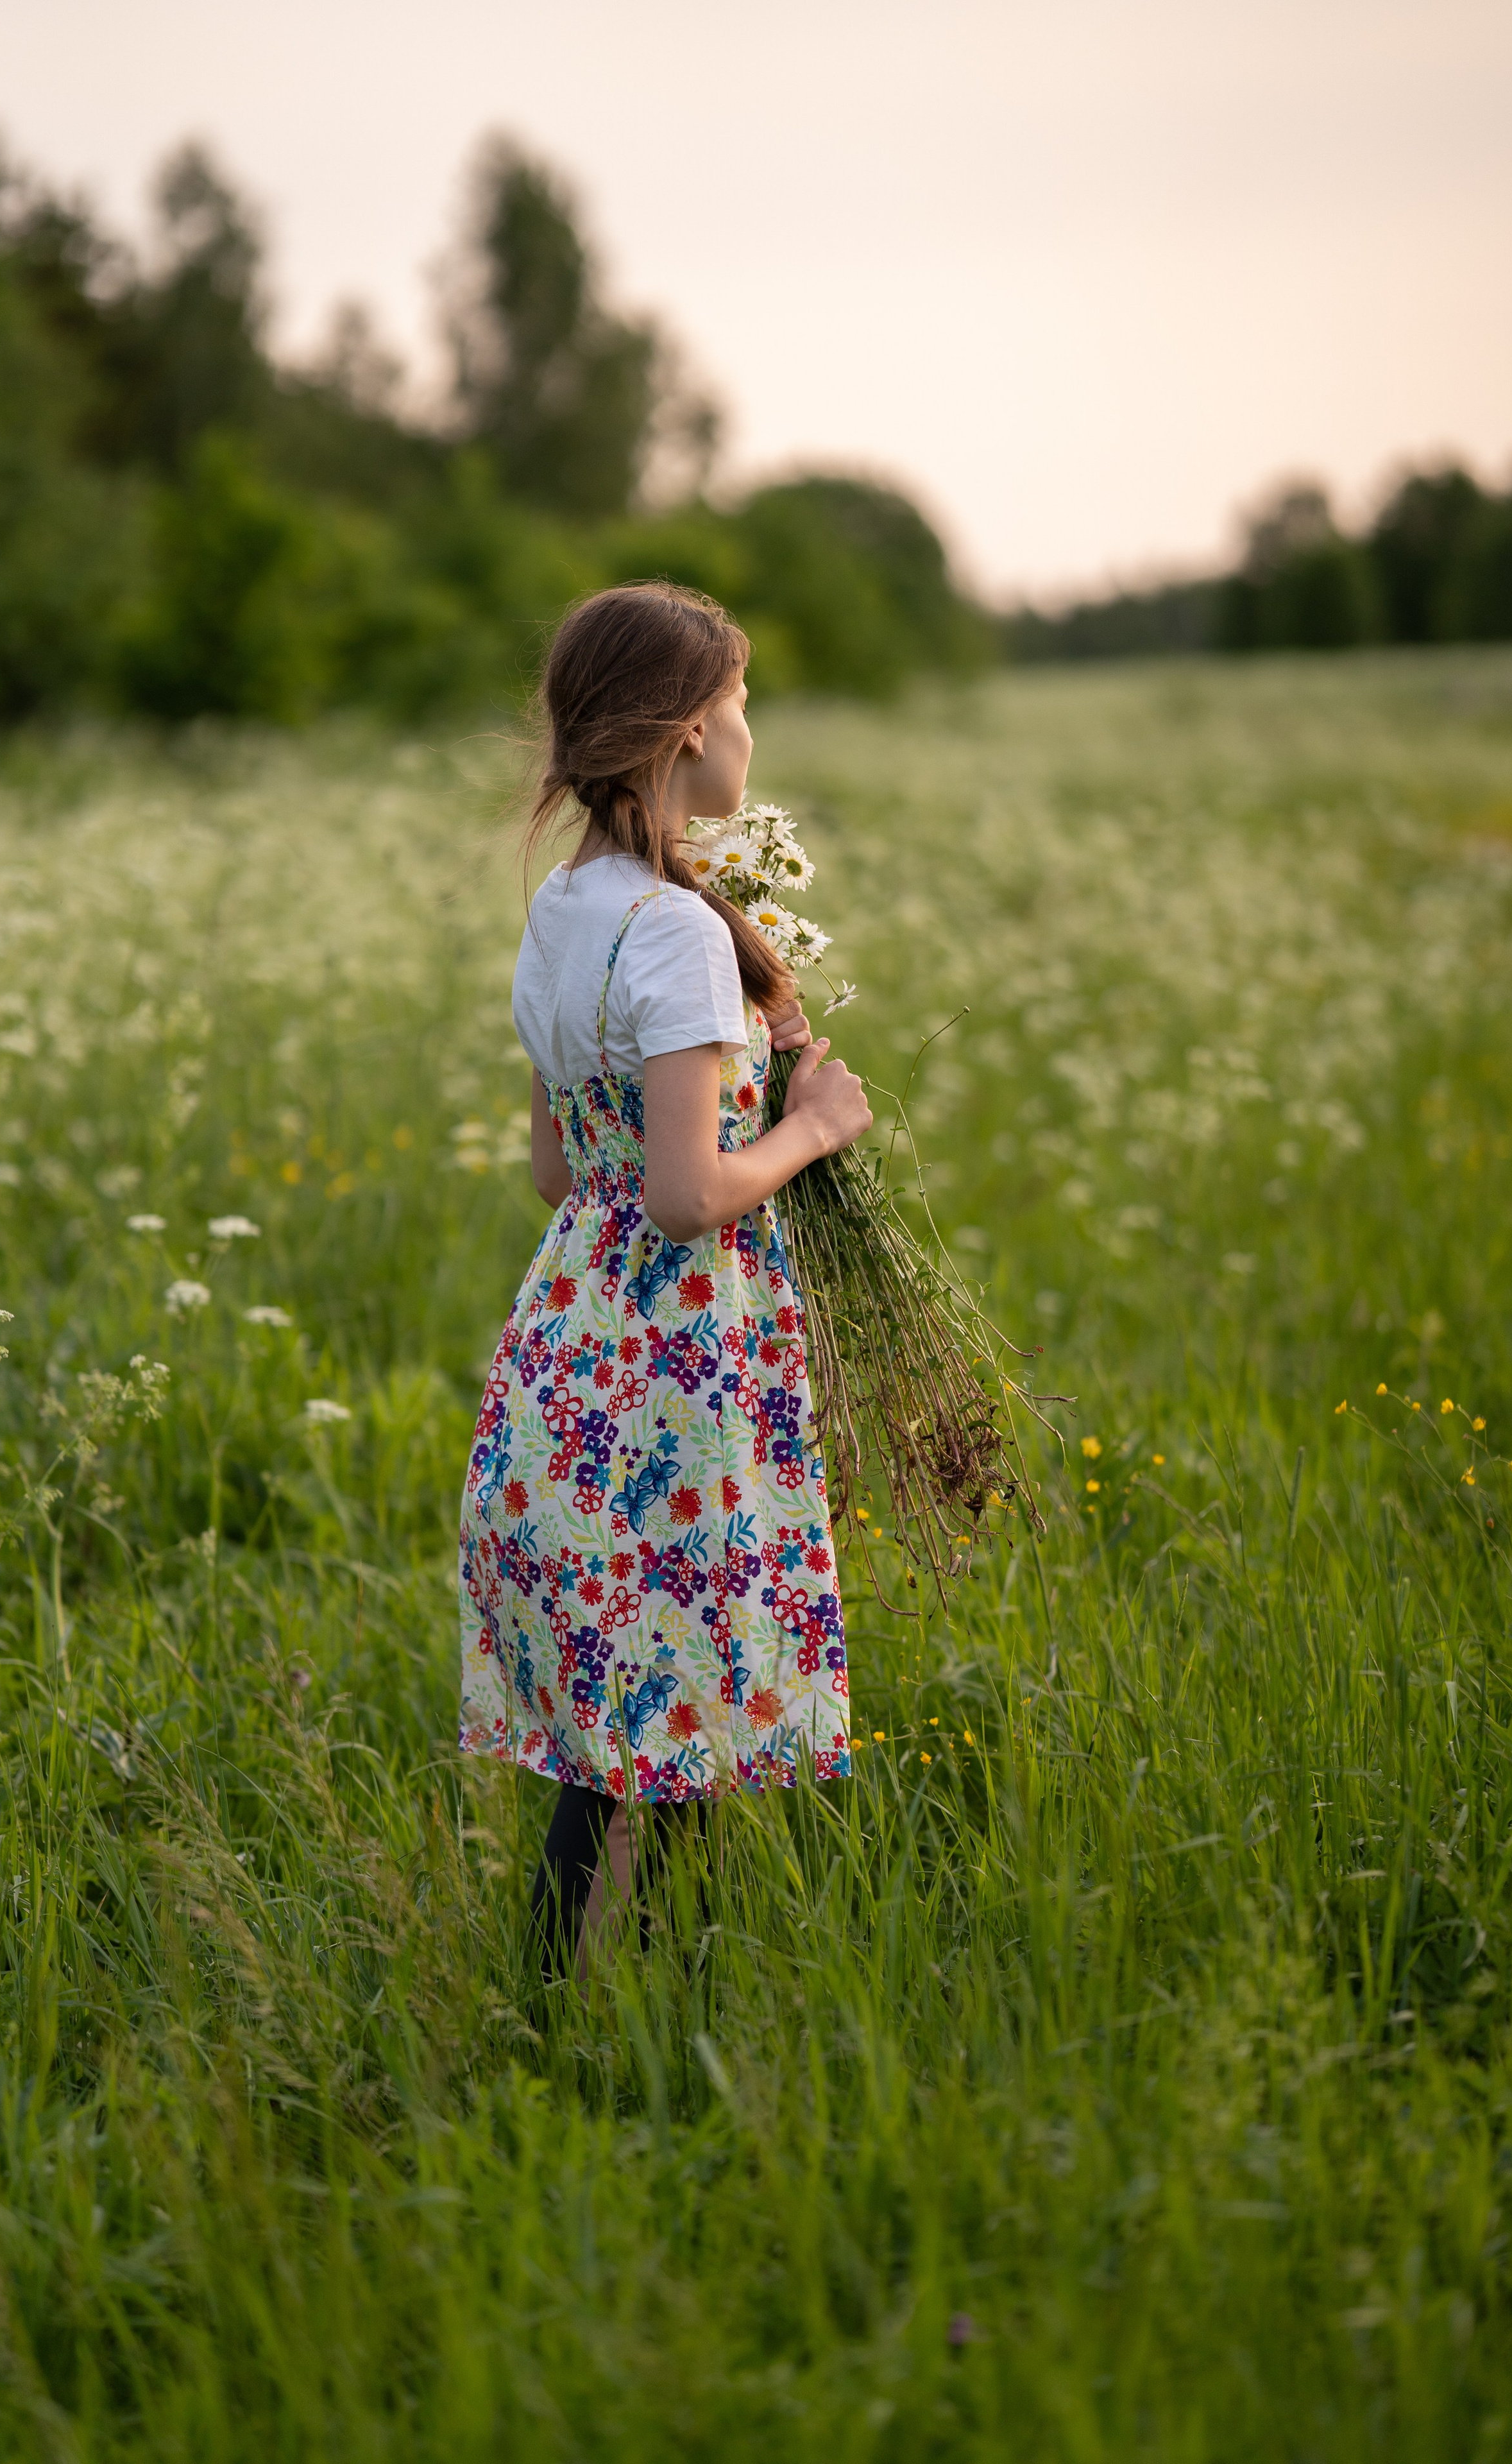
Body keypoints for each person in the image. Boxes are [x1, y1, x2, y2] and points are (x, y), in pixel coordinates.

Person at [457, 582, 872, 1981]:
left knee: (631, 1723)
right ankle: (585, 2025)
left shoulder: (566, 909)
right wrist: (812, 1129)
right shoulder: (680, 931)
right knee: (666, 1712)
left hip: (571, 1342)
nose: (750, 730)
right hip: (674, 1369)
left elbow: (560, 1172)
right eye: (741, 703)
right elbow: (688, 1197)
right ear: (692, 730)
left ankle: (587, 2009)